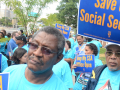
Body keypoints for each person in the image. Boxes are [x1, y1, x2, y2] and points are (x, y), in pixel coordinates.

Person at [3, 26, 68, 90]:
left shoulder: (60, 88)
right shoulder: (9, 73)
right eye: (33, 45)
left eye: (47, 50)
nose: (37, 53)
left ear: (58, 59)